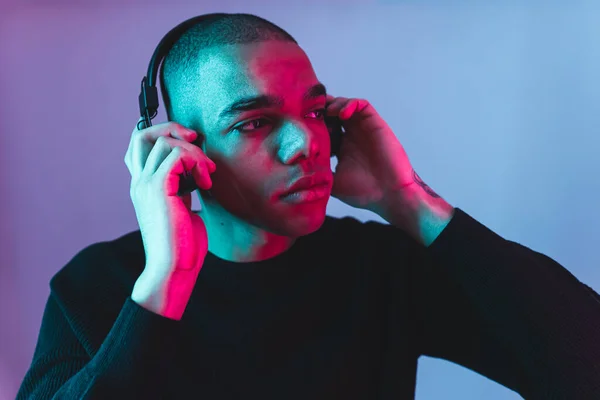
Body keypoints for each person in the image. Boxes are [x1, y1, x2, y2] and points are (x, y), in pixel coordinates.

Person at [16, 13, 600, 400]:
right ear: (177, 146)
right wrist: (163, 283)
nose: (307, 143)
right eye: (255, 122)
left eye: (315, 112)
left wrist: (413, 203)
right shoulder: (97, 286)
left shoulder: (380, 267)